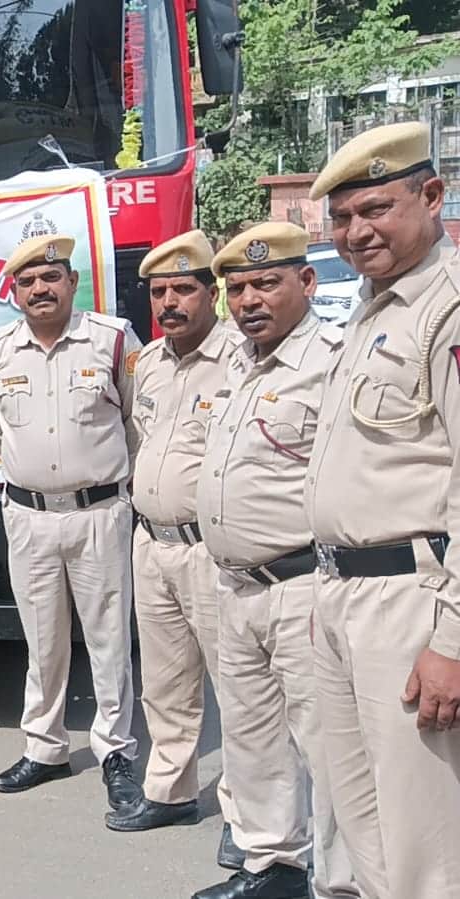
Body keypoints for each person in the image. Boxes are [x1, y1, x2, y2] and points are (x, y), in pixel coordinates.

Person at [306, 121, 460, 898]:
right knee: (360, 824)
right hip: (338, 596)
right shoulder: (370, 312)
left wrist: (452, 639)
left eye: (375, 208)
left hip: (408, 602)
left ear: (431, 196)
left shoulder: (446, 308)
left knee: (422, 841)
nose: (356, 230)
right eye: (340, 218)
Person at [192, 224, 357, 899]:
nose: (248, 299)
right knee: (251, 737)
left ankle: (341, 884)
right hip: (233, 585)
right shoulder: (237, 360)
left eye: (266, 282)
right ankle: (271, 866)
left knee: (328, 748)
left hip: (301, 583)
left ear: (306, 282)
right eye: (237, 288)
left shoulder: (332, 361)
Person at [0, 233, 143, 813]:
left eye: (51, 278)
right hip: (29, 518)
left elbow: (137, 425)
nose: (40, 289)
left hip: (100, 513)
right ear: (13, 291)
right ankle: (45, 747)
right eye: (27, 281)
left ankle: (116, 749)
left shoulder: (113, 340)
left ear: (72, 283)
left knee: (108, 639)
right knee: (42, 642)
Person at [108, 231, 243, 856]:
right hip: (152, 544)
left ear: (210, 293)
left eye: (184, 289)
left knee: (239, 685)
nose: (169, 302)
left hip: (211, 550)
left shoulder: (240, 358)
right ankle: (171, 790)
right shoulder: (149, 365)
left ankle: (250, 815)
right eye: (159, 291)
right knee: (164, 683)